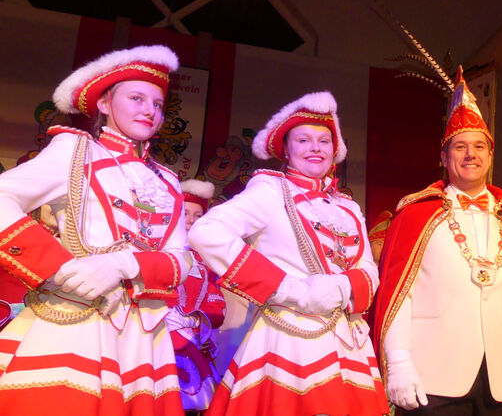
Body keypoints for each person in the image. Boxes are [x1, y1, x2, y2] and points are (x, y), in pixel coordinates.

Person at [373, 68, 502, 416]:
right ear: (443, 157)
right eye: (460, 146)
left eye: (479, 146)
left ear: (491, 155)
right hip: (433, 379)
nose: (471, 154)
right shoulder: (415, 216)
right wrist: (400, 363)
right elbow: (398, 298)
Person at [0, 45, 188, 415]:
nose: (149, 110)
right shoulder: (74, 151)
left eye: (157, 104)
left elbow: (180, 261)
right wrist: (58, 267)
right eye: (136, 98)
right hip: (77, 319)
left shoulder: (168, 181)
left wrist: (124, 264)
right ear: (104, 103)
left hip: (144, 338)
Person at [188, 91, 389, 416]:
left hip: (346, 343)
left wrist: (341, 287)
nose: (315, 148)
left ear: (335, 149)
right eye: (303, 140)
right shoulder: (270, 191)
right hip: (287, 337)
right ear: (286, 149)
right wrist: (283, 288)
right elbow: (206, 232)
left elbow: (368, 268)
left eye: (324, 141)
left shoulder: (348, 206)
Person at [166, 179, 226, 414]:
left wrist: (201, 324)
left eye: (198, 215)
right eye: (185, 213)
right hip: (161, 337)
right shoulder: (159, 251)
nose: (191, 220)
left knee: (197, 402)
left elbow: (215, 303)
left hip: (194, 339)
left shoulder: (206, 259)